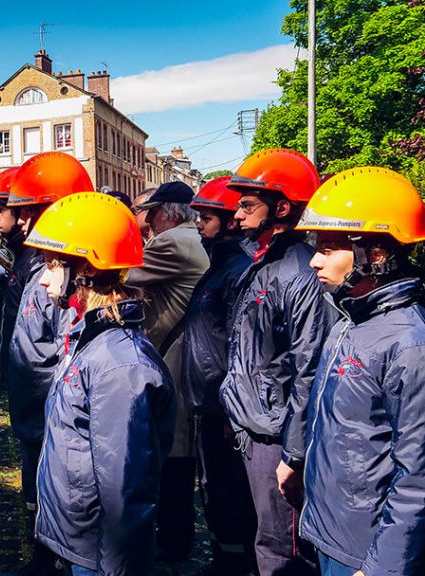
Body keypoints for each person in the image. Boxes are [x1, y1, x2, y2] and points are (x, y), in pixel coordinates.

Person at [25, 192, 176, 576]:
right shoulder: (89, 337)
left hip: (100, 552)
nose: (43, 279)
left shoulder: (118, 364)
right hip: (81, 539)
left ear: (86, 270)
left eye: (51, 264)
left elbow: (126, 486)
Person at [295, 167, 425, 576]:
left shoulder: (409, 344)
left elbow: (418, 476)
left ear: (377, 254)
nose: (315, 258)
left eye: (330, 246)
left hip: (367, 551)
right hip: (331, 530)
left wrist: (382, 567)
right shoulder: (350, 319)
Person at [219, 148, 334, 576]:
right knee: (262, 538)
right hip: (255, 422)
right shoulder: (264, 260)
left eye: (248, 205)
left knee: (281, 545)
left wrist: (295, 451)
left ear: (282, 207)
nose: (238, 213)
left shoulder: (301, 271)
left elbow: (310, 366)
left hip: (276, 432)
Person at [0, 153, 89, 576]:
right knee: (36, 492)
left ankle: (51, 562)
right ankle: (42, 558)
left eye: (30, 212)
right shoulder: (41, 263)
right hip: (32, 404)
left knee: (55, 497)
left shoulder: (65, 271)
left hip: (48, 410)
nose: (21, 221)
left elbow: (66, 352)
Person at [127, 180, 210, 563]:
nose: (147, 221)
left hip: (174, 357)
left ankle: (174, 539)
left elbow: (123, 274)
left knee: (174, 453)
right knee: (180, 452)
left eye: (151, 213)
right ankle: (179, 535)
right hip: (184, 352)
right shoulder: (192, 237)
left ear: (167, 213)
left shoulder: (170, 241)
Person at [180, 177, 257, 574]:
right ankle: (224, 557)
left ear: (229, 221)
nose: (199, 226)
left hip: (223, 406)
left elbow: (241, 347)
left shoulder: (239, 270)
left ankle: (235, 563)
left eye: (207, 218)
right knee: (213, 489)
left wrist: (231, 409)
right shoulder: (221, 265)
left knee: (230, 492)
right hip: (208, 402)